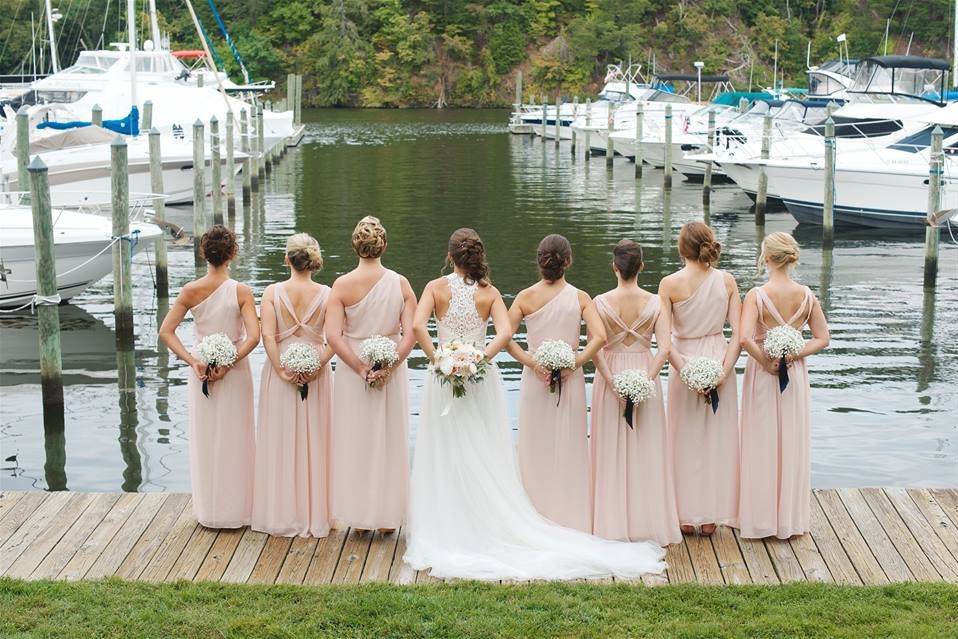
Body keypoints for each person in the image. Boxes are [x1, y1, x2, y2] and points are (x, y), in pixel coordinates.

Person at [404, 228, 666, 581]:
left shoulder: (445, 291)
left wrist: (441, 359)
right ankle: (555, 516)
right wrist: (480, 359)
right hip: (491, 378)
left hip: (449, 378)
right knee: (489, 447)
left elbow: (421, 325)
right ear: (568, 262)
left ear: (450, 256)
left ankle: (452, 518)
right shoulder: (494, 293)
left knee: (448, 448)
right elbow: (506, 336)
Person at [159, 225, 259, 528]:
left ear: (204, 253)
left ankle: (210, 512)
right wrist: (229, 362)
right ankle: (239, 511)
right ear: (232, 254)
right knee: (237, 438)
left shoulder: (190, 290)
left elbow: (166, 331)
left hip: (201, 372)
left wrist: (193, 361)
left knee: (206, 439)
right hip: (235, 373)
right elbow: (253, 338)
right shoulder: (241, 291)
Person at [506, 234, 606, 532]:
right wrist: (574, 363)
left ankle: (533, 513)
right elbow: (599, 337)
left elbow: (504, 337)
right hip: (570, 380)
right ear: (569, 262)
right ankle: (568, 515)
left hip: (534, 381)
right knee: (569, 445)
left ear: (539, 262)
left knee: (533, 447)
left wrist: (531, 362)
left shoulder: (524, 297)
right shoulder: (580, 298)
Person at [326, 216, 417, 533]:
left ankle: (360, 518)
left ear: (355, 247)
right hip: (391, 372)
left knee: (356, 439)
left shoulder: (341, 285)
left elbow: (334, 337)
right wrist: (390, 365)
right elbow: (411, 334)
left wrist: (361, 367)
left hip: (354, 374)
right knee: (390, 438)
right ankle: (388, 518)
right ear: (384, 246)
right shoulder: (401, 283)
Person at [738, 232, 829, 539]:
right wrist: (795, 353)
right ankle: (789, 519)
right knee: (791, 441)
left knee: (761, 441)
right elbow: (822, 337)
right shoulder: (806, 296)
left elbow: (744, 339)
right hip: (795, 373)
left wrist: (766, 361)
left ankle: (761, 518)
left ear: (766, 258)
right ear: (790, 258)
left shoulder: (756, 295)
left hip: (763, 373)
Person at [591, 240, 681, 546]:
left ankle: (611, 522)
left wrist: (612, 381)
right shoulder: (656, 303)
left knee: (609, 448)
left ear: (614, 267)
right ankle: (647, 519)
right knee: (648, 447)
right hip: (645, 371)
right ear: (641, 267)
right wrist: (646, 378)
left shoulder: (600, 302)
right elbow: (665, 348)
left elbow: (595, 349)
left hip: (611, 376)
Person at [659, 221, 741, 536]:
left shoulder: (669, 284)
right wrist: (723, 371)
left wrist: (686, 371)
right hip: (720, 359)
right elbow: (739, 336)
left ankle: (683, 515)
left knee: (683, 439)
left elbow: (664, 342)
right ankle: (710, 517)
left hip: (684, 363)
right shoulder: (728, 281)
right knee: (716, 441)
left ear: (682, 248)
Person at [252, 233, 334, 538]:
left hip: (280, 371)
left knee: (280, 440)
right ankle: (315, 513)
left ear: (287, 259)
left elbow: (268, 337)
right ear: (313, 260)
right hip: (317, 372)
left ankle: (281, 512)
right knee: (316, 439)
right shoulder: (327, 293)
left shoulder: (272, 292)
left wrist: (281, 369)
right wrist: (317, 365)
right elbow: (334, 338)